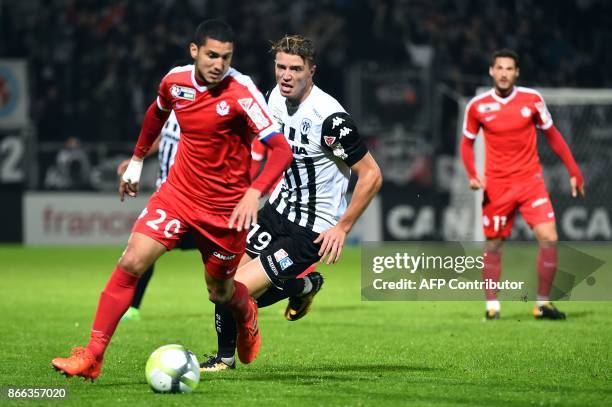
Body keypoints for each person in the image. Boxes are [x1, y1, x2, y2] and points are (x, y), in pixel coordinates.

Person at [51, 19, 293, 380]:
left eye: (226, 57)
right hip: (177, 195)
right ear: (194, 51)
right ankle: (92, 356)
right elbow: (156, 114)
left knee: (220, 292)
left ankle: (247, 314)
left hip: (225, 210)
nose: (219, 64)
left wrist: (253, 193)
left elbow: (280, 150)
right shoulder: (174, 81)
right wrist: (135, 161)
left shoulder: (242, 92)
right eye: (212, 55)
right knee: (133, 260)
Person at [200, 35, 382, 372]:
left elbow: (371, 175)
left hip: (311, 230)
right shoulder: (273, 99)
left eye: (295, 69)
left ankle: (226, 360)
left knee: (237, 291)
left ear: (312, 71)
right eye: (281, 67)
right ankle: (302, 286)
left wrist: (343, 227)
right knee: (219, 283)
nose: (286, 75)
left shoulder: (331, 120)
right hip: (275, 211)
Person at [461, 49, 585, 321]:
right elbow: (467, 144)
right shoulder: (477, 106)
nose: (504, 73)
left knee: (550, 238)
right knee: (493, 246)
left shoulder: (532, 100)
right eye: (499, 68)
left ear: (516, 73)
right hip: (497, 187)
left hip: (531, 182)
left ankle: (543, 304)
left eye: (509, 68)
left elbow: (553, 136)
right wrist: (472, 173)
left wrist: (574, 171)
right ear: (491, 71)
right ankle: (492, 306)